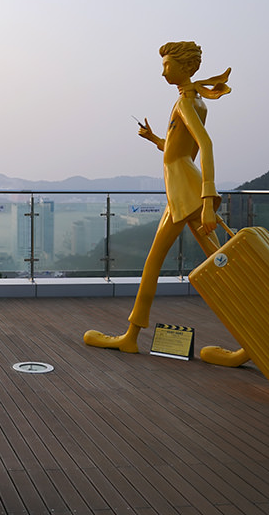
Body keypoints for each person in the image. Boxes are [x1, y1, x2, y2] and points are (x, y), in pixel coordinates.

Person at [84, 41, 234, 356]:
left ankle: (255, 340)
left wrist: (208, 201)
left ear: (185, 67)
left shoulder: (187, 103)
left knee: (222, 266)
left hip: (190, 193)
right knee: (192, 262)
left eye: (167, 64)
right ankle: (131, 336)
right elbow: (181, 150)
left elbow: (205, 147)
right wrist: (154, 138)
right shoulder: (193, 101)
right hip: (182, 191)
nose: (163, 70)